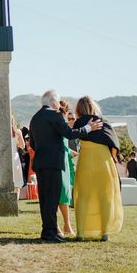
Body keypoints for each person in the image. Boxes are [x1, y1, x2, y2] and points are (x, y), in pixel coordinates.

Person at [28, 90, 102, 243]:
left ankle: (47, 230)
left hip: (40, 163)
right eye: (58, 100)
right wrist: (88, 128)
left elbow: (33, 144)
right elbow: (70, 133)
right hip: (54, 163)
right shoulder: (54, 115)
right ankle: (52, 233)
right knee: (53, 199)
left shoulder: (34, 118)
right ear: (53, 101)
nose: (59, 103)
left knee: (45, 200)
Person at [72, 96, 124, 242]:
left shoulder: (79, 122)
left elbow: (74, 135)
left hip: (86, 161)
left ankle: (80, 233)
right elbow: (115, 145)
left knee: (82, 196)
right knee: (105, 196)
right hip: (104, 162)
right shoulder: (104, 122)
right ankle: (104, 232)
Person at [57, 100, 76, 236]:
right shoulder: (58, 123)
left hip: (66, 159)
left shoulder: (62, 124)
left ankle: (67, 224)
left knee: (66, 192)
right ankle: (66, 225)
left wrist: (71, 152)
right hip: (59, 160)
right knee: (62, 193)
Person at [11, 117, 25, 198]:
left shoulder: (2, 132)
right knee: (17, 183)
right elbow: (22, 146)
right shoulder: (18, 132)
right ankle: (15, 203)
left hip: (5, 158)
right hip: (15, 158)